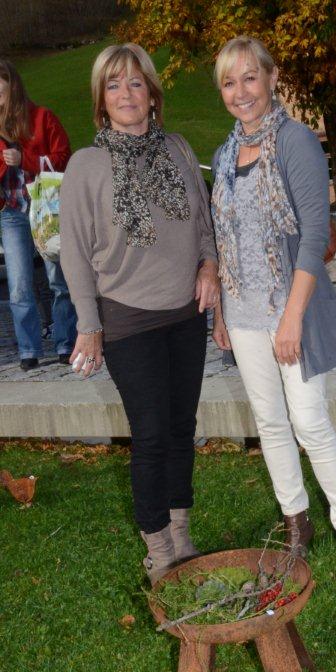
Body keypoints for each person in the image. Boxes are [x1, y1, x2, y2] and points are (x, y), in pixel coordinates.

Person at [211, 37, 336, 587]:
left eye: (249, 78)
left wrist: (292, 317)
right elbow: (225, 240)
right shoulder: (225, 155)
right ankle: (296, 523)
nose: (241, 92)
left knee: (309, 421)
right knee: (271, 423)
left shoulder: (295, 140)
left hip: (290, 309)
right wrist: (221, 313)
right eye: (229, 82)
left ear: (272, 78)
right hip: (243, 313)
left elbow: (315, 234)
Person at [60, 43, 219, 585]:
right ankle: (159, 551)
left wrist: (209, 265)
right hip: (128, 318)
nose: (125, 94)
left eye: (135, 83)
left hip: (185, 312)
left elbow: (203, 221)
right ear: (101, 101)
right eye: (113, 85)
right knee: (150, 434)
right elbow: (75, 252)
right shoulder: (86, 165)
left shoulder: (177, 148)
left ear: (152, 94)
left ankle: (182, 534)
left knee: (181, 428)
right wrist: (89, 325)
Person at [0, 60, 77, 370]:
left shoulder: (42, 117)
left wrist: (25, 159)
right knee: (19, 285)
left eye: (0, 92)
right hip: (11, 213)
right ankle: (28, 351)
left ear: (13, 86)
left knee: (59, 280)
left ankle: (66, 343)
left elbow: (64, 157)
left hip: (47, 210)